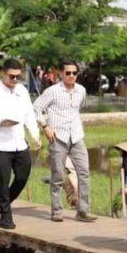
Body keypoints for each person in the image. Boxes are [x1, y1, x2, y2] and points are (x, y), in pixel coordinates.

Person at [0, 58, 41, 230]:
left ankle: (4, 200)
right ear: (3, 74)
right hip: (1, 145)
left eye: (17, 77)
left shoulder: (21, 90)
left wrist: (35, 135)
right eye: (11, 77)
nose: (14, 80)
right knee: (2, 181)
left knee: (22, 176)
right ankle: (5, 215)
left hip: (20, 143)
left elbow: (29, 114)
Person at [33, 59, 97, 223]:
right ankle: (57, 210)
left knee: (84, 173)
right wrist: (45, 126)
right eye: (67, 73)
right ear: (61, 73)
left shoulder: (81, 91)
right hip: (57, 137)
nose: (71, 76)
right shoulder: (52, 91)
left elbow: (77, 109)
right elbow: (36, 108)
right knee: (58, 175)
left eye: (74, 73)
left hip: (76, 136)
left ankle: (83, 210)